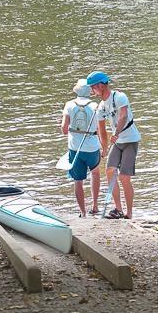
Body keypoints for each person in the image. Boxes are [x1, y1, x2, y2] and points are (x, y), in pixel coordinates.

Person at [86, 70, 140, 220]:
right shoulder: (101, 107)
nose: (92, 91)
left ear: (101, 85)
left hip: (130, 140)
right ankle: (118, 209)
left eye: (93, 87)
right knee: (109, 171)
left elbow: (123, 115)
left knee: (124, 177)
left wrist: (116, 133)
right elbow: (102, 131)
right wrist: (103, 149)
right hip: (117, 143)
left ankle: (129, 213)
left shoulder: (120, 97)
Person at [60, 79, 102, 216]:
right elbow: (101, 129)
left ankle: (82, 212)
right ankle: (95, 206)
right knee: (95, 174)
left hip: (75, 148)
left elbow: (64, 130)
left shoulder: (69, 105)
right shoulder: (95, 105)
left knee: (78, 181)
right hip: (92, 147)